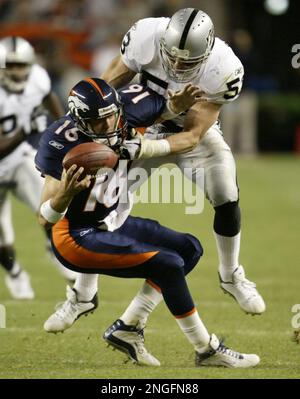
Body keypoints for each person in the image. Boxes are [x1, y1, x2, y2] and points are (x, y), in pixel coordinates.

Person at [36, 77, 259, 368]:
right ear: (81, 122)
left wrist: (172, 107)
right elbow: (44, 218)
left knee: (188, 248)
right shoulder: (59, 142)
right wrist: (65, 195)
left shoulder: (127, 111)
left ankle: (129, 327)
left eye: (112, 117)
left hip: (109, 221)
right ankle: (206, 350)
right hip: (75, 236)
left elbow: (161, 110)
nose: (110, 126)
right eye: (99, 123)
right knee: (167, 263)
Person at [100, 8, 266, 318]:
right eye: (171, 56)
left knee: (226, 194)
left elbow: (191, 136)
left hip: (191, 136)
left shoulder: (224, 68)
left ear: (205, 54)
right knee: (106, 203)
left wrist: (141, 149)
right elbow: (108, 87)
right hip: (145, 127)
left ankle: (230, 275)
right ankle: (81, 295)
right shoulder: (145, 36)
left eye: (186, 61)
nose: (176, 65)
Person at [0, 36, 76, 299]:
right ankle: (15, 273)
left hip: (20, 158)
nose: (17, 71)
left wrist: (66, 129)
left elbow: (50, 100)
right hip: (6, 153)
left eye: (22, 65)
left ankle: (53, 249)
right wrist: (25, 131)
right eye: (10, 66)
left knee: (49, 205)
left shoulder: (38, 79)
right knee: (2, 236)